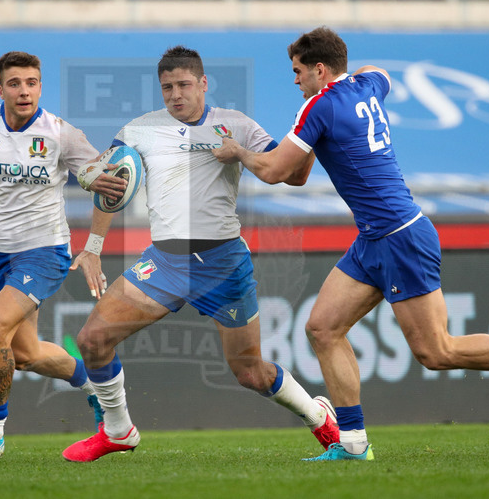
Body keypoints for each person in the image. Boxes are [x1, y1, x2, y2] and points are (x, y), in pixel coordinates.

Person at [212, 26, 489, 462]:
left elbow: (277, 171)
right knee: (323, 329)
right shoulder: (367, 84)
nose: (294, 80)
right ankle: (354, 444)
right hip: (376, 237)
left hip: (399, 236)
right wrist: (347, 76)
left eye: (298, 71)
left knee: (437, 351)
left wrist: (238, 152)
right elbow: (378, 72)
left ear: (320, 70)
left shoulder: (319, 106)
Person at [61, 46, 340, 463]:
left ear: (204, 84)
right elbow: (110, 184)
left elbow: (290, 174)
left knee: (250, 373)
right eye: (167, 87)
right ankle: (118, 431)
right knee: (92, 339)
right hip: (165, 262)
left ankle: (317, 415)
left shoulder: (235, 125)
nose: (176, 94)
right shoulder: (139, 130)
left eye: (185, 85)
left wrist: (275, 143)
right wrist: (93, 248)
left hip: (223, 264)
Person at [0, 51, 127, 460]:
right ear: (1, 88)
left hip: (43, 252)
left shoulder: (61, 134)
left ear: (40, 86)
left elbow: (109, 186)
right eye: (15, 83)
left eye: (32, 83)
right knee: (23, 354)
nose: (24, 91)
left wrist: (93, 246)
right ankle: (95, 389)